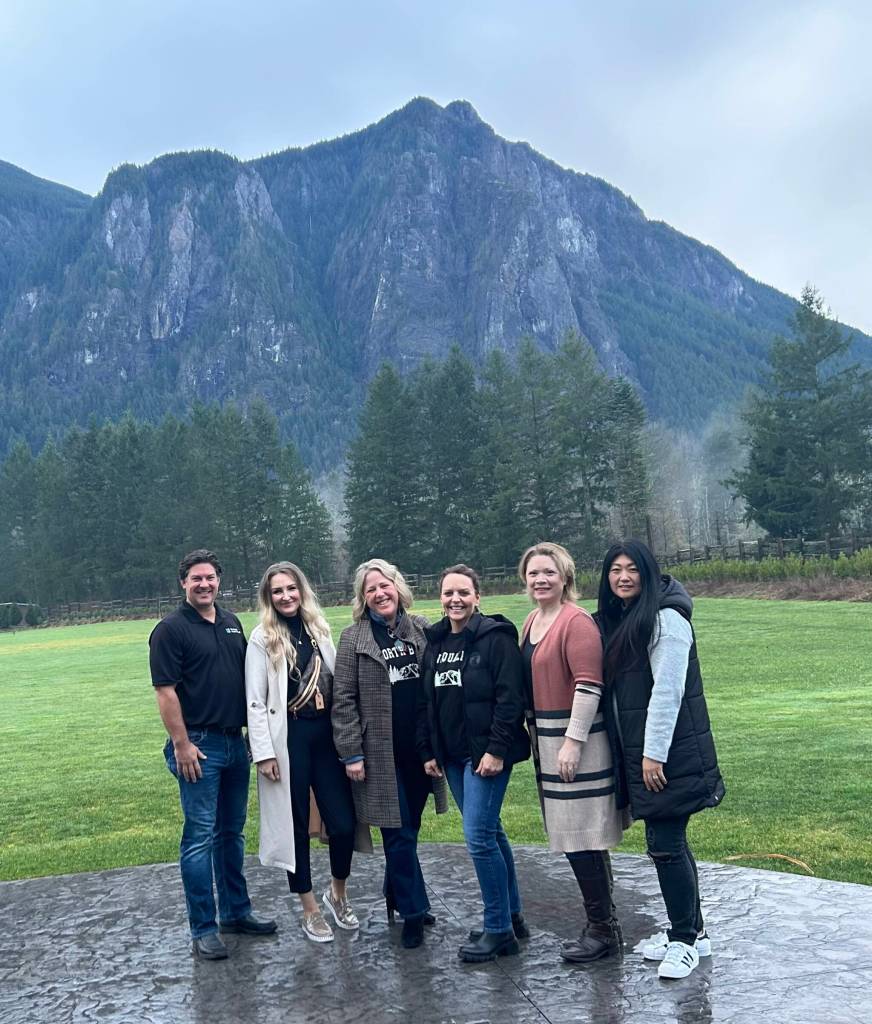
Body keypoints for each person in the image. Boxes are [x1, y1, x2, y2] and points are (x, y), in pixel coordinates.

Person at [597, 540, 725, 980]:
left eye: (632, 569)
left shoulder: (666, 620)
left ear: (649, 573)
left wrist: (653, 755)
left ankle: (684, 941)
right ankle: (694, 933)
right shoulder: (633, 617)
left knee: (665, 845)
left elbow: (667, 692)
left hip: (667, 755)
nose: (623, 577)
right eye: (615, 570)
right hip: (651, 753)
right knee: (671, 842)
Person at [149, 549, 276, 961]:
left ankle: (236, 912)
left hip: (235, 744)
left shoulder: (231, 623)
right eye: (195, 579)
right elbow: (165, 692)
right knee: (199, 840)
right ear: (183, 583)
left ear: (219, 581)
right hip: (199, 748)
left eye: (210, 578)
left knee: (231, 835)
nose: (204, 584)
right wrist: (183, 744)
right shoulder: (170, 630)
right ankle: (203, 927)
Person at [518, 542, 630, 964]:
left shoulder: (575, 622)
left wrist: (573, 740)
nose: (540, 580)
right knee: (578, 839)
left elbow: (588, 685)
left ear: (566, 577)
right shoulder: (533, 620)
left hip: (575, 743)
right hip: (546, 740)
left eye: (549, 572)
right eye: (533, 573)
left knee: (583, 837)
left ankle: (602, 930)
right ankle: (605, 922)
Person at [332, 557, 448, 949]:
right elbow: (343, 699)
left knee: (409, 830)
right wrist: (351, 753)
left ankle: (395, 891)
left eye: (385, 586)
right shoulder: (354, 638)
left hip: (420, 751)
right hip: (378, 753)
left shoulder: (423, 629)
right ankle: (414, 911)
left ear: (398, 588)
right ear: (362, 598)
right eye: (370, 589)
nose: (380, 593)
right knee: (396, 833)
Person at [417, 565, 531, 963]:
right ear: (440, 598)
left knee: (479, 839)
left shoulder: (495, 639)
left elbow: (510, 700)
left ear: (477, 596)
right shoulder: (435, 642)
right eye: (448, 593)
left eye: (463, 592)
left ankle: (498, 930)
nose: (455, 600)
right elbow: (426, 704)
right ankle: (512, 915)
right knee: (492, 833)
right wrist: (428, 750)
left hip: (486, 756)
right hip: (452, 756)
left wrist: (497, 750)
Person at [245, 561, 363, 944]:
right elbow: (255, 702)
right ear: (269, 597)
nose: (286, 596)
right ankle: (309, 908)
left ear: (301, 590)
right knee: (294, 828)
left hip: (326, 736)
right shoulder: (262, 638)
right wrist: (263, 753)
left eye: (291, 588)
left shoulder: (318, 629)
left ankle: (337, 894)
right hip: (289, 738)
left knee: (344, 823)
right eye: (277, 591)